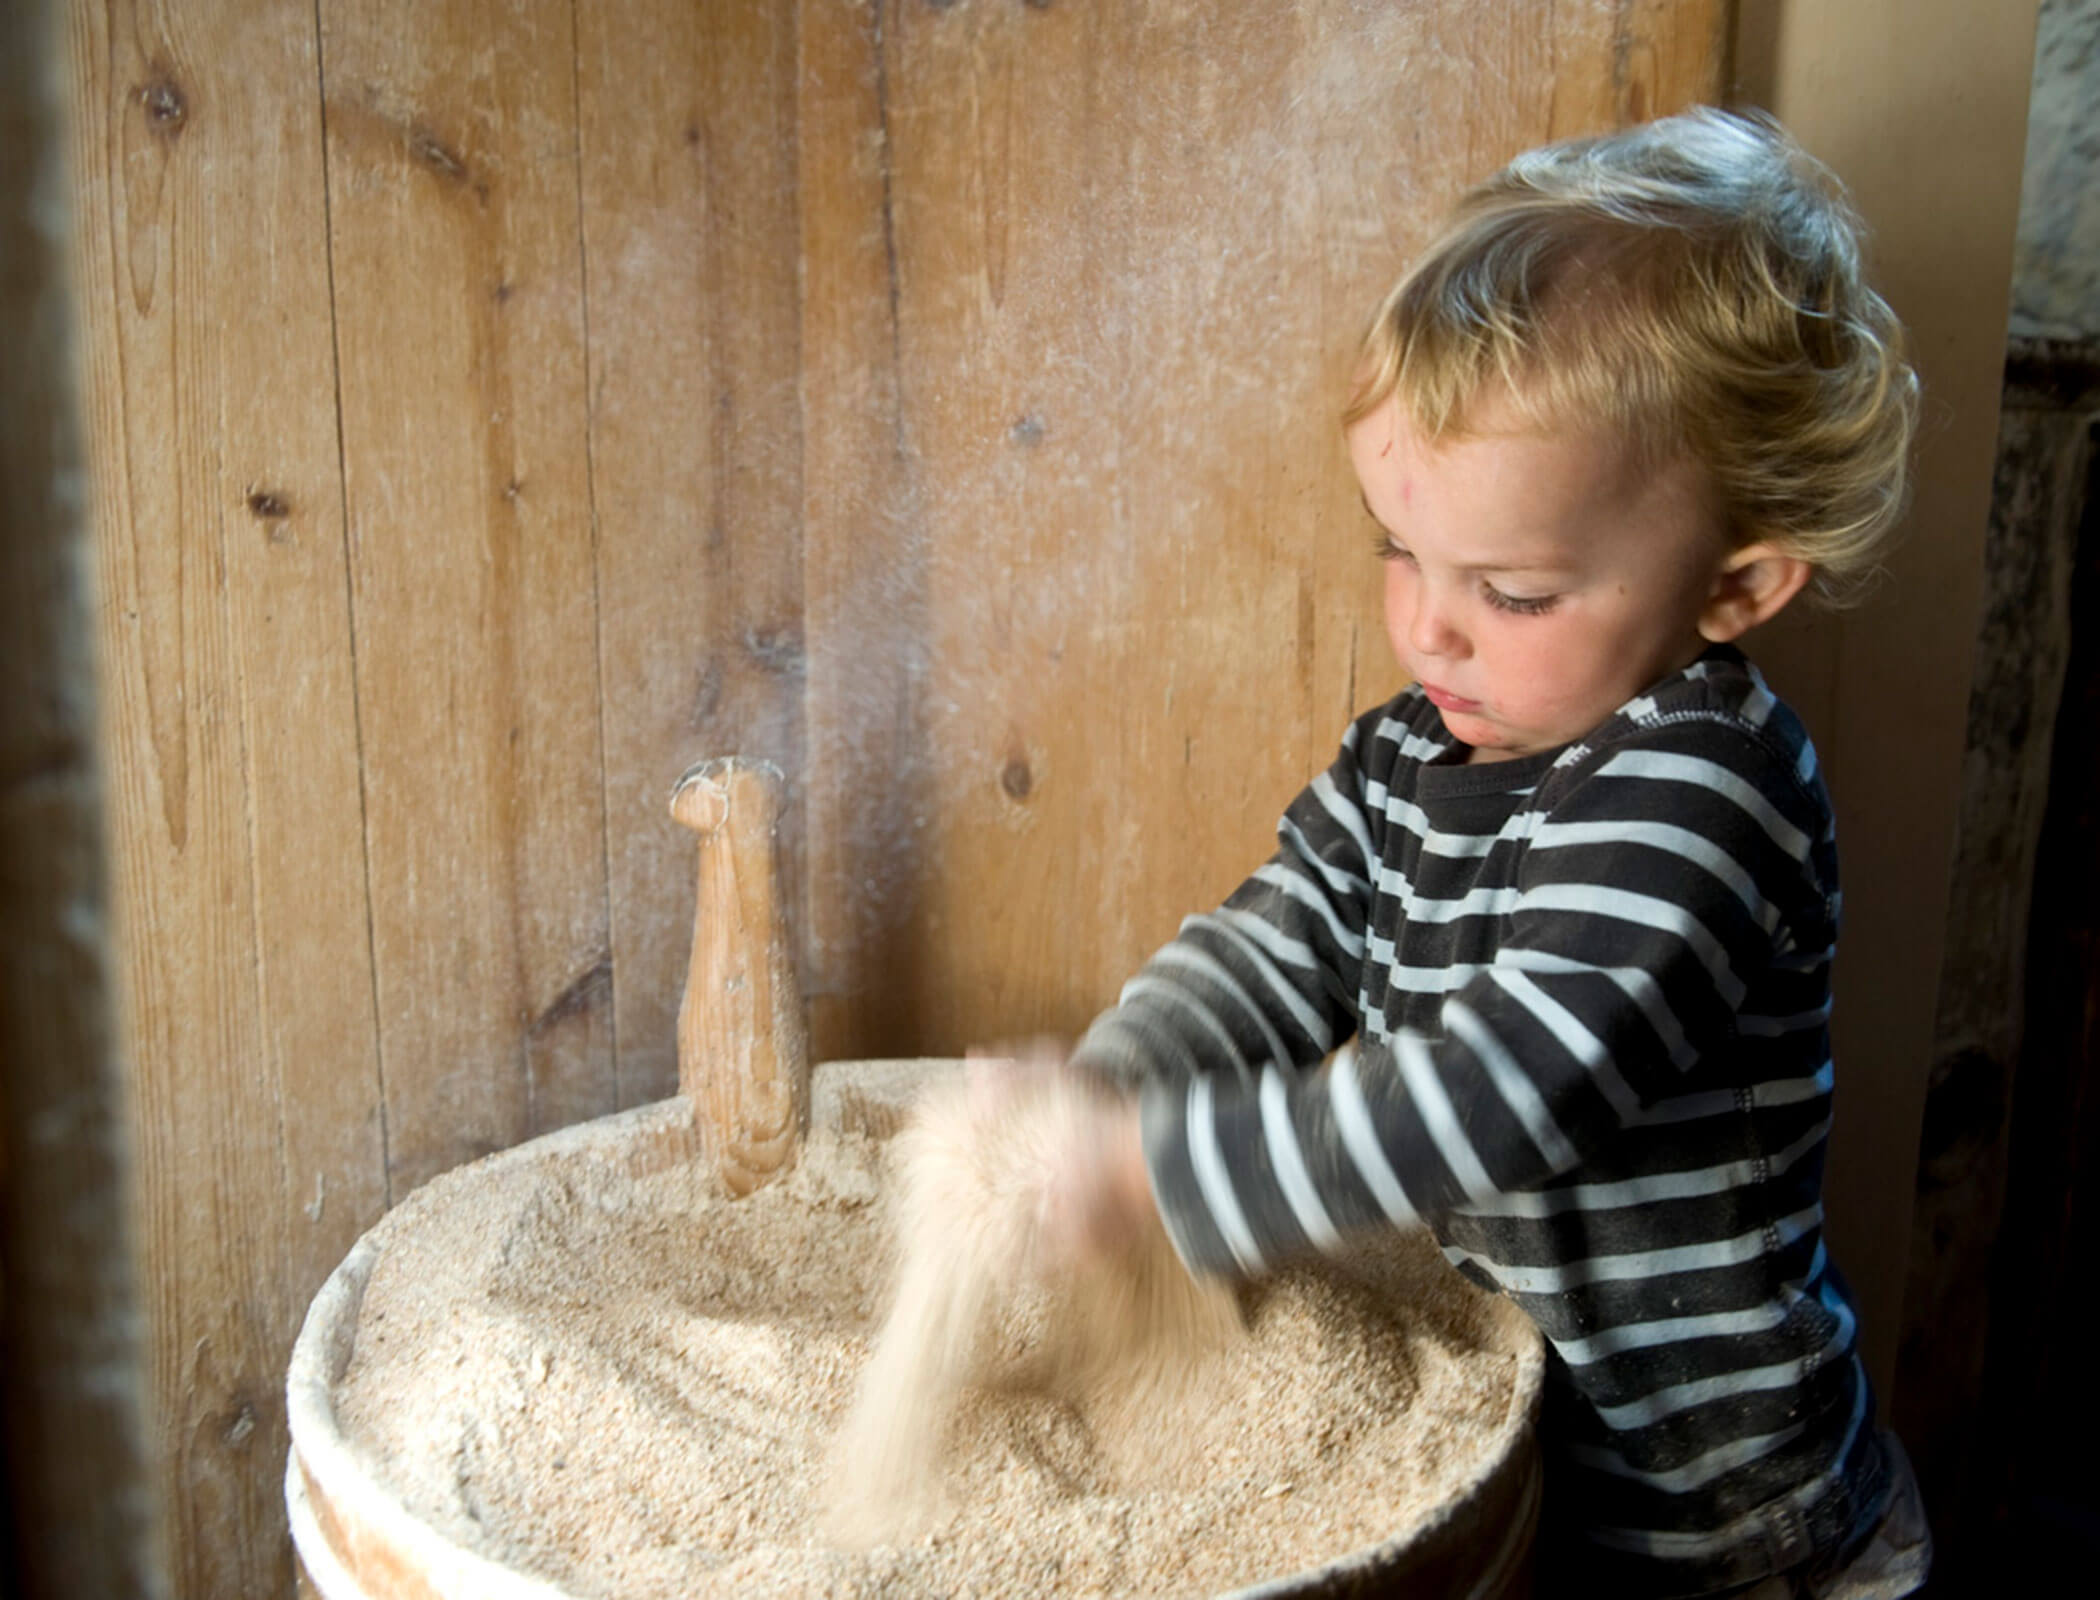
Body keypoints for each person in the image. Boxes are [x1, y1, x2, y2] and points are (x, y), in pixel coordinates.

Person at [1017, 108, 1932, 1599]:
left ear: (1738, 583)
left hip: (1718, 1531)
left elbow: (1505, 1088)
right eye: (1398, 549)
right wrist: (1116, 1086)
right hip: (1530, 1477)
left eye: (1509, 590)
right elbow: (1274, 943)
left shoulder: (1704, 794)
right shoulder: (1410, 754)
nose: (1426, 628)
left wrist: (1165, 1174)